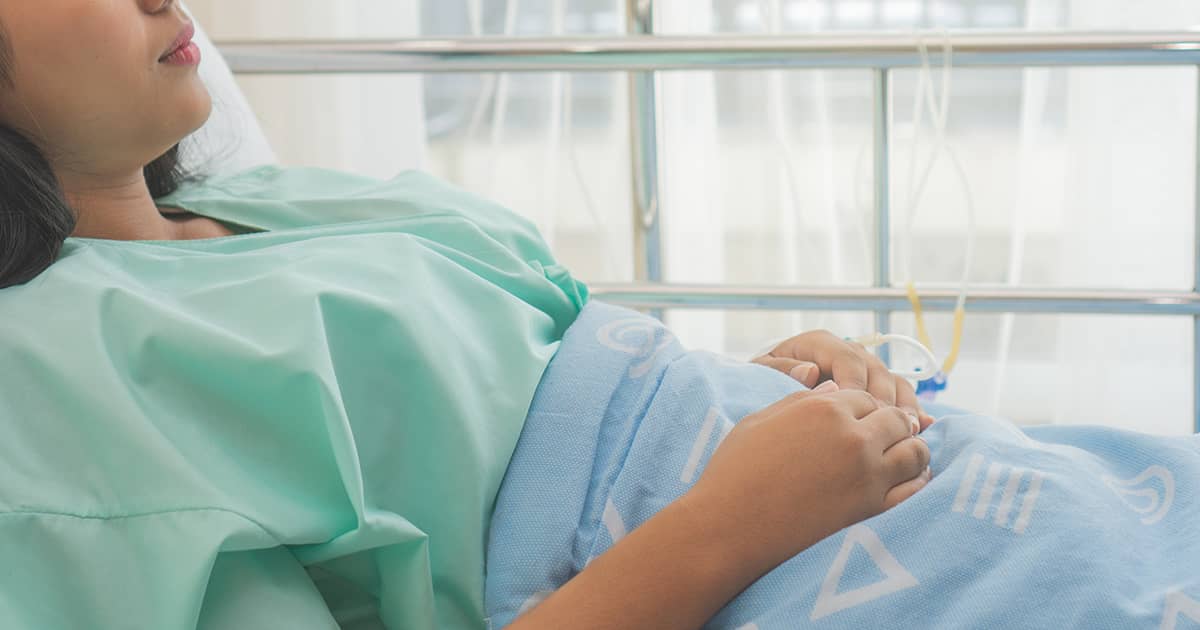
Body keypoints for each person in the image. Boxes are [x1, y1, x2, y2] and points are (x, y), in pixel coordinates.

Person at [0, 2, 932, 628]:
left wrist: (750, 392)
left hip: (858, 483)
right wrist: (734, 518)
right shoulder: (44, 392)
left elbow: (533, 394)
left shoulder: (282, 201)